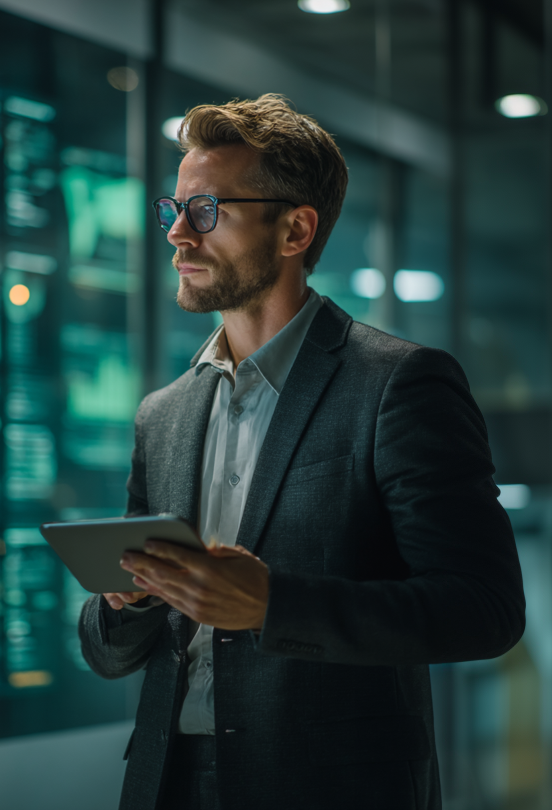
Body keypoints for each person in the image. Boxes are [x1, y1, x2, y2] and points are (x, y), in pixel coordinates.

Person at [77, 94, 526, 810]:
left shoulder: (398, 384)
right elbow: (109, 653)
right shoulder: (162, 415)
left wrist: (270, 604)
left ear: (294, 230)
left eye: (206, 213)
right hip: (168, 786)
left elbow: (485, 609)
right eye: (173, 211)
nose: (178, 238)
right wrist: (125, 600)